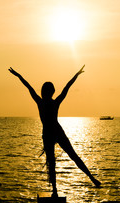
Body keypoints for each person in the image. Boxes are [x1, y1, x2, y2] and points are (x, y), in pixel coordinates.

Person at [8, 65, 101, 195]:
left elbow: (28, 86)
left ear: (43, 92)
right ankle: (90, 178)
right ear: (51, 92)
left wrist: (18, 75)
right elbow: (66, 88)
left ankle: (56, 190)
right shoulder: (54, 102)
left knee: (53, 163)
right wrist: (76, 75)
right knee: (71, 157)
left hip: (49, 134)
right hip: (56, 132)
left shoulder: (40, 102)